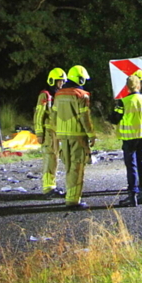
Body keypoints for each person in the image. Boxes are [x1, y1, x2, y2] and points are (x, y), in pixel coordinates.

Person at [51, 65, 96, 209]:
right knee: (77, 167)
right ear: (80, 79)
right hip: (78, 136)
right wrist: (91, 134)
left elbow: (54, 115)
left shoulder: (58, 94)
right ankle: (73, 200)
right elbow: (85, 117)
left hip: (63, 136)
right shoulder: (82, 95)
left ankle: (69, 196)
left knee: (69, 166)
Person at [116, 74, 142, 207]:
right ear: (139, 85)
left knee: (131, 166)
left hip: (129, 138)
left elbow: (114, 117)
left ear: (127, 87)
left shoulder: (123, 101)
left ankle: (132, 195)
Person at [37, 67, 67, 197]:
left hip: (57, 132)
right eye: (59, 81)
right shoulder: (45, 95)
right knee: (50, 159)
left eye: (62, 81)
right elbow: (39, 115)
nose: (61, 84)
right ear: (52, 81)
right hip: (49, 133)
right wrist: (39, 133)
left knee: (55, 159)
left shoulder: (59, 95)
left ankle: (52, 185)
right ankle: (48, 188)